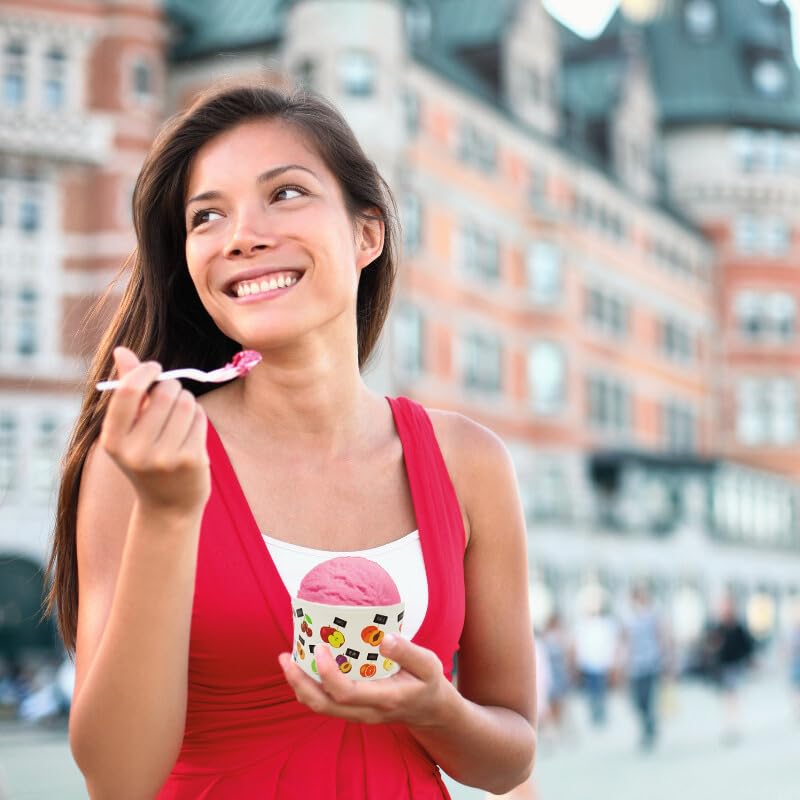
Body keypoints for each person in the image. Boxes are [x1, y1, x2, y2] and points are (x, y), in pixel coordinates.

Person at [43, 81, 536, 799]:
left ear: (367, 234)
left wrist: (439, 712)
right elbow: (117, 781)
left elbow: (510, 760)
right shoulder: (142, 461)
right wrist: (170, 513)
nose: (242, 234)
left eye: (285, 194)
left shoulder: (471, 464)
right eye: (206, 216)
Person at [621, 586, 668, 751]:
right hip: (634, 665)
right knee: (637, 701)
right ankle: (646, 725)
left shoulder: (652, 615)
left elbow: (660, 635)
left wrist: (665, 659)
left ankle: (649, 730)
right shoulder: (628, 618)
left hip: (650, 663)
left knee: (648, 699)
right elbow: (624, 640)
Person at [705, 594, 755, 744]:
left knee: (732, 697)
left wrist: (748, 660)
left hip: (736, 666)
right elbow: (710, 644)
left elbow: (747, 646)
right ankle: (729, 724)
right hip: (723, 667)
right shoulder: (718, 627)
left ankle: (733, 725)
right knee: (727, 698)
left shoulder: (737, 626)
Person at [573, 595, 620, 727]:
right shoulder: (582, 623)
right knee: (591, 690)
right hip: (588, 662)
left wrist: (613, 662)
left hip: (603, 662)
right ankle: (594, 714)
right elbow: (578, 644)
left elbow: (612, 643)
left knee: (602, 690)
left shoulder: (608, 623)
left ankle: (601, 714)